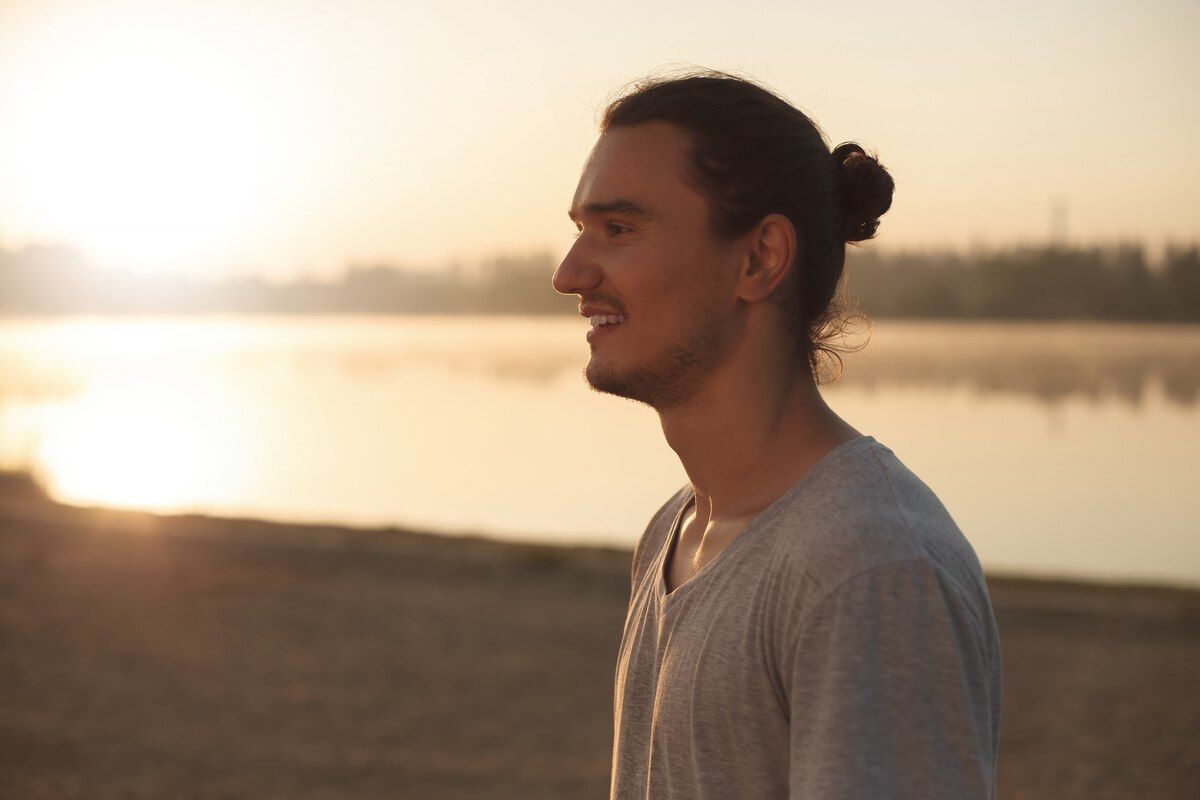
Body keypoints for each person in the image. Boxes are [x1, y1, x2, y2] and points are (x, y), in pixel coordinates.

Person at [551, 70, 1003, 799]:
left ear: (760, 259)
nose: (569, 274)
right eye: (580, 231)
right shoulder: (675, 530)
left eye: (619, 229)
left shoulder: (872, 566)